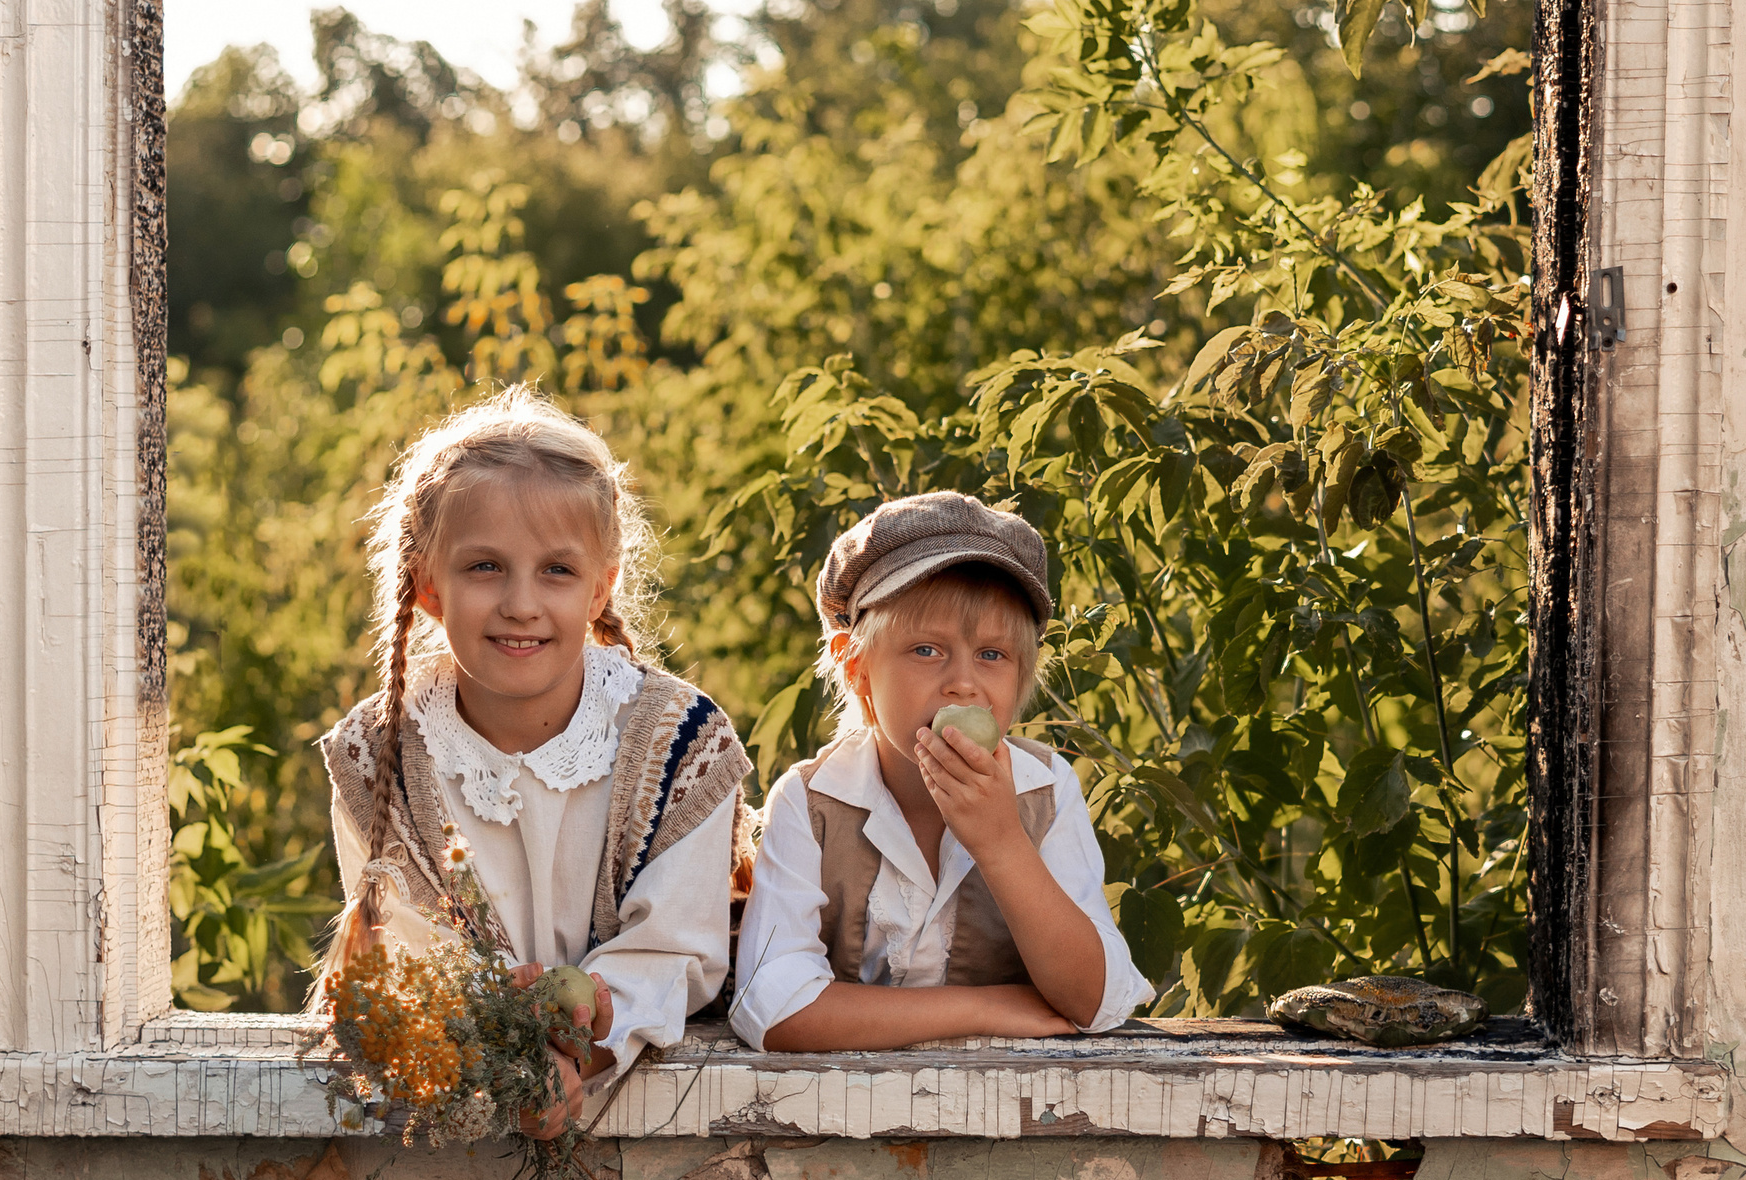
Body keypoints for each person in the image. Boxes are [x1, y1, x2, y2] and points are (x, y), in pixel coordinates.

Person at [318, 386, 748, 1129]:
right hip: (457, 1128)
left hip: (650, 1122)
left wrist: (578, 1045)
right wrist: (508, 1038)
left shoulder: (680, 743)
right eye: (485, 566)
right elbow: (412, 962)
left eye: (556, 570)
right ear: (428, 585)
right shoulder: (380, 760)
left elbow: (677, 948)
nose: (521, 603)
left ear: (600, 586)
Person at [730, 492, 1150, 1052]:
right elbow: (774, 1008)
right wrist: (988, 1008)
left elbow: (1095, 1000)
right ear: (857, 669)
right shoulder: (811, 804)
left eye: (992, 655)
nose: (963, 682)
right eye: (927, 650)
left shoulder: (1044, 793)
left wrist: (1002, 842)